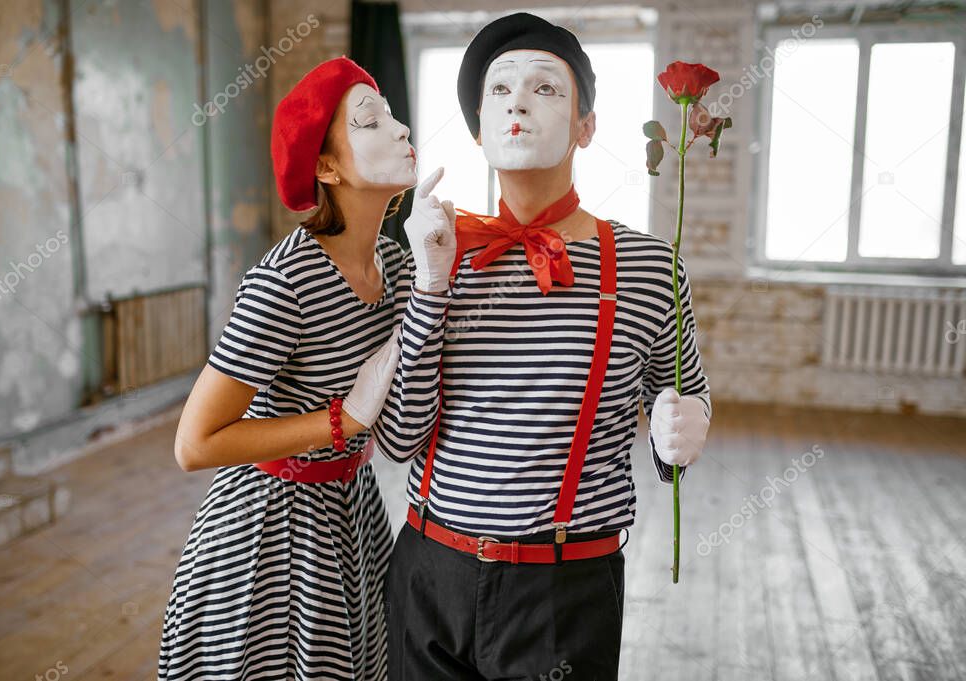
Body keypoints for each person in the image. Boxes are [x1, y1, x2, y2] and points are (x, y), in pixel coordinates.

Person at [372, 13, 712, 680]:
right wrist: (431, 288)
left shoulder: (649, 267)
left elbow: (682, 403)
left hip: (565, 590)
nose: (518, 103)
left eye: (545, 88)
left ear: (587, 126)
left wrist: (684, 429)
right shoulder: (436, 255)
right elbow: (400, 439)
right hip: (430, 575)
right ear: (479, 128)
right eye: (499, 90)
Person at [157, 56, 415, 681]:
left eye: (391, 116)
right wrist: (343, 420)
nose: (402, 129)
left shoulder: (400, 265)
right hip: (267, 528)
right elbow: (194, 444)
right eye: (370, 122)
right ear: (326, 168)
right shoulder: (285, 284)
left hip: (353, 509)